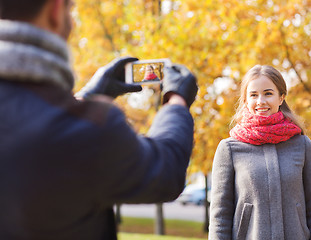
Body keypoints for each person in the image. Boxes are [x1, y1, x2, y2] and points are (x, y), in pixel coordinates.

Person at [0, 0, 198, 239]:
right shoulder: (90, 130)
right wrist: (176, 100)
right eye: (70, 10)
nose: (72, 22)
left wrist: (87, 98)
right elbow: (165, 170)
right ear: (55, 10)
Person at [209, 65, 311, 240]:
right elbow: (220, 215)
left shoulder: (302, 145)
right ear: (245, 100)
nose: (260, 101)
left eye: (268, 93)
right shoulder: (229, 149)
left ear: (281, 97)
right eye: (253, 95)